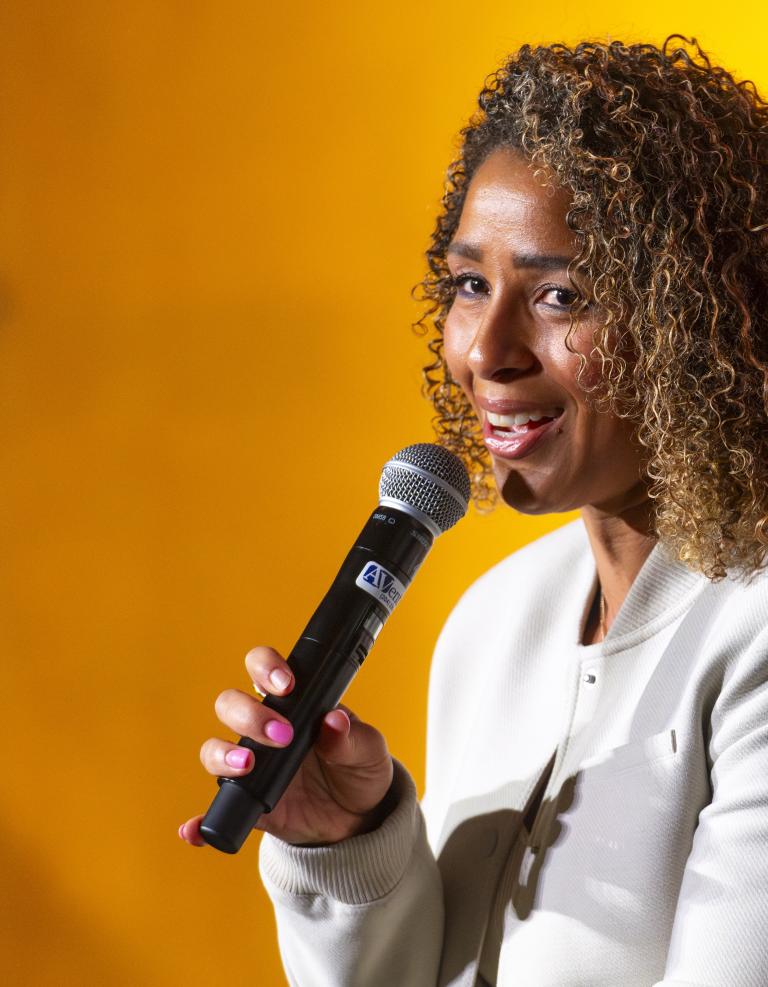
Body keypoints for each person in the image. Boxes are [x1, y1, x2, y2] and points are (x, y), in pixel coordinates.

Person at [179, 35, 768, 986]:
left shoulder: (754, 628)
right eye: (469, 285)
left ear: (695, 315)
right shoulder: (493, 624)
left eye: (561, 295)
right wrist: (354, 849)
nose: (488, 349)